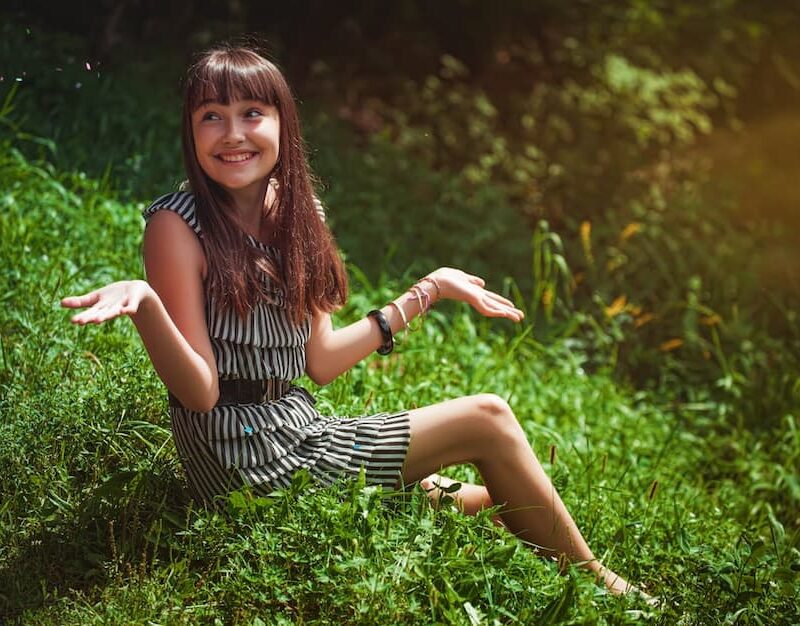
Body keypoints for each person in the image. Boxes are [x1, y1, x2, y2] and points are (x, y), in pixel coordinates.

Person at [61, 44, 647, 599]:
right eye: (212, 116)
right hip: (241, 454)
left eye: (252, 113)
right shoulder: (176, 225)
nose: (234, 134)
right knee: (489, 418)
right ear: (191, 132)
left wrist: (430, 289)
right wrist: (146, 305)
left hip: (297, 426)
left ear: (282, 124)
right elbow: (200, 391)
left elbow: (318, 362)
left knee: (472, 497)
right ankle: (603, 585)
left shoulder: (300, 212)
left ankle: (549, 548)